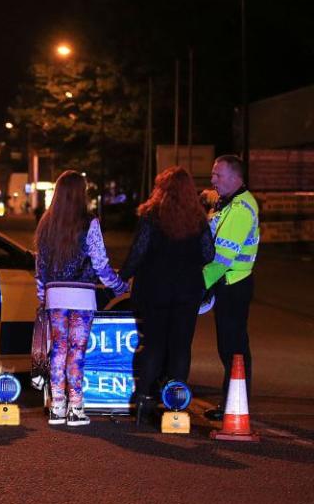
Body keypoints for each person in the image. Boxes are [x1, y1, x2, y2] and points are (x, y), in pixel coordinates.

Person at [119, 167, 214, 423]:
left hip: (155, 290)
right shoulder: (198, 218)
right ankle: (176, 405)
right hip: (187, 292)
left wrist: (121, 277)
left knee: (154, 346)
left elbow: (138, 253)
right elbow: (209, 254)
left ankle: (142, 402)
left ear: (161, 188)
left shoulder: (151, 216)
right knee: (181, 348)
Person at [34, 170, 128, 427]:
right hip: (83, 296)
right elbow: (100, 263)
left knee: (59, 349)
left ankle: (57, 407)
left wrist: (43, 297)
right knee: (76, 351)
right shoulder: (90, 223)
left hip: (55, 295)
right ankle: (76, 408)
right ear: (81, 193)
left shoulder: (46, 223)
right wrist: (119, 286)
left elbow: (40, 267)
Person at [202, 155, 260, 421]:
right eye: (213, 175)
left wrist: (196, 286)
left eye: (218, 176)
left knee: (233, 347)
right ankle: (233, 403)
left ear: (236, 178)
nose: (213, 180)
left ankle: (235, 406)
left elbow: (222, 259)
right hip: (230, 284)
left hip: (233, 284)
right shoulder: (230, 203)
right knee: (230, 346)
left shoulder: (239, 210)